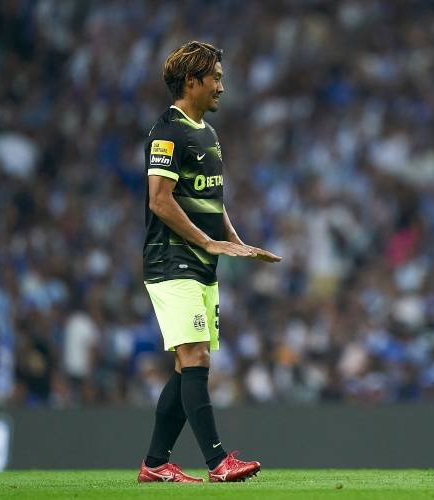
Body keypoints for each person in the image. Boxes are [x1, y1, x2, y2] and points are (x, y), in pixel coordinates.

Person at [136, 41, 281, 484]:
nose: (221, 86)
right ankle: (218, 463)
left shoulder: (208, 134)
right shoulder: (167, 132)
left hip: (201, 264)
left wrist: (234, 241)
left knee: (189, 366)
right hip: (171, 260)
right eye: (215, 78)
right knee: (195, 354)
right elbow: (160, 200)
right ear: (191, 81)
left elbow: (211, 198)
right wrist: (206, 241)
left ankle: (155, 464)